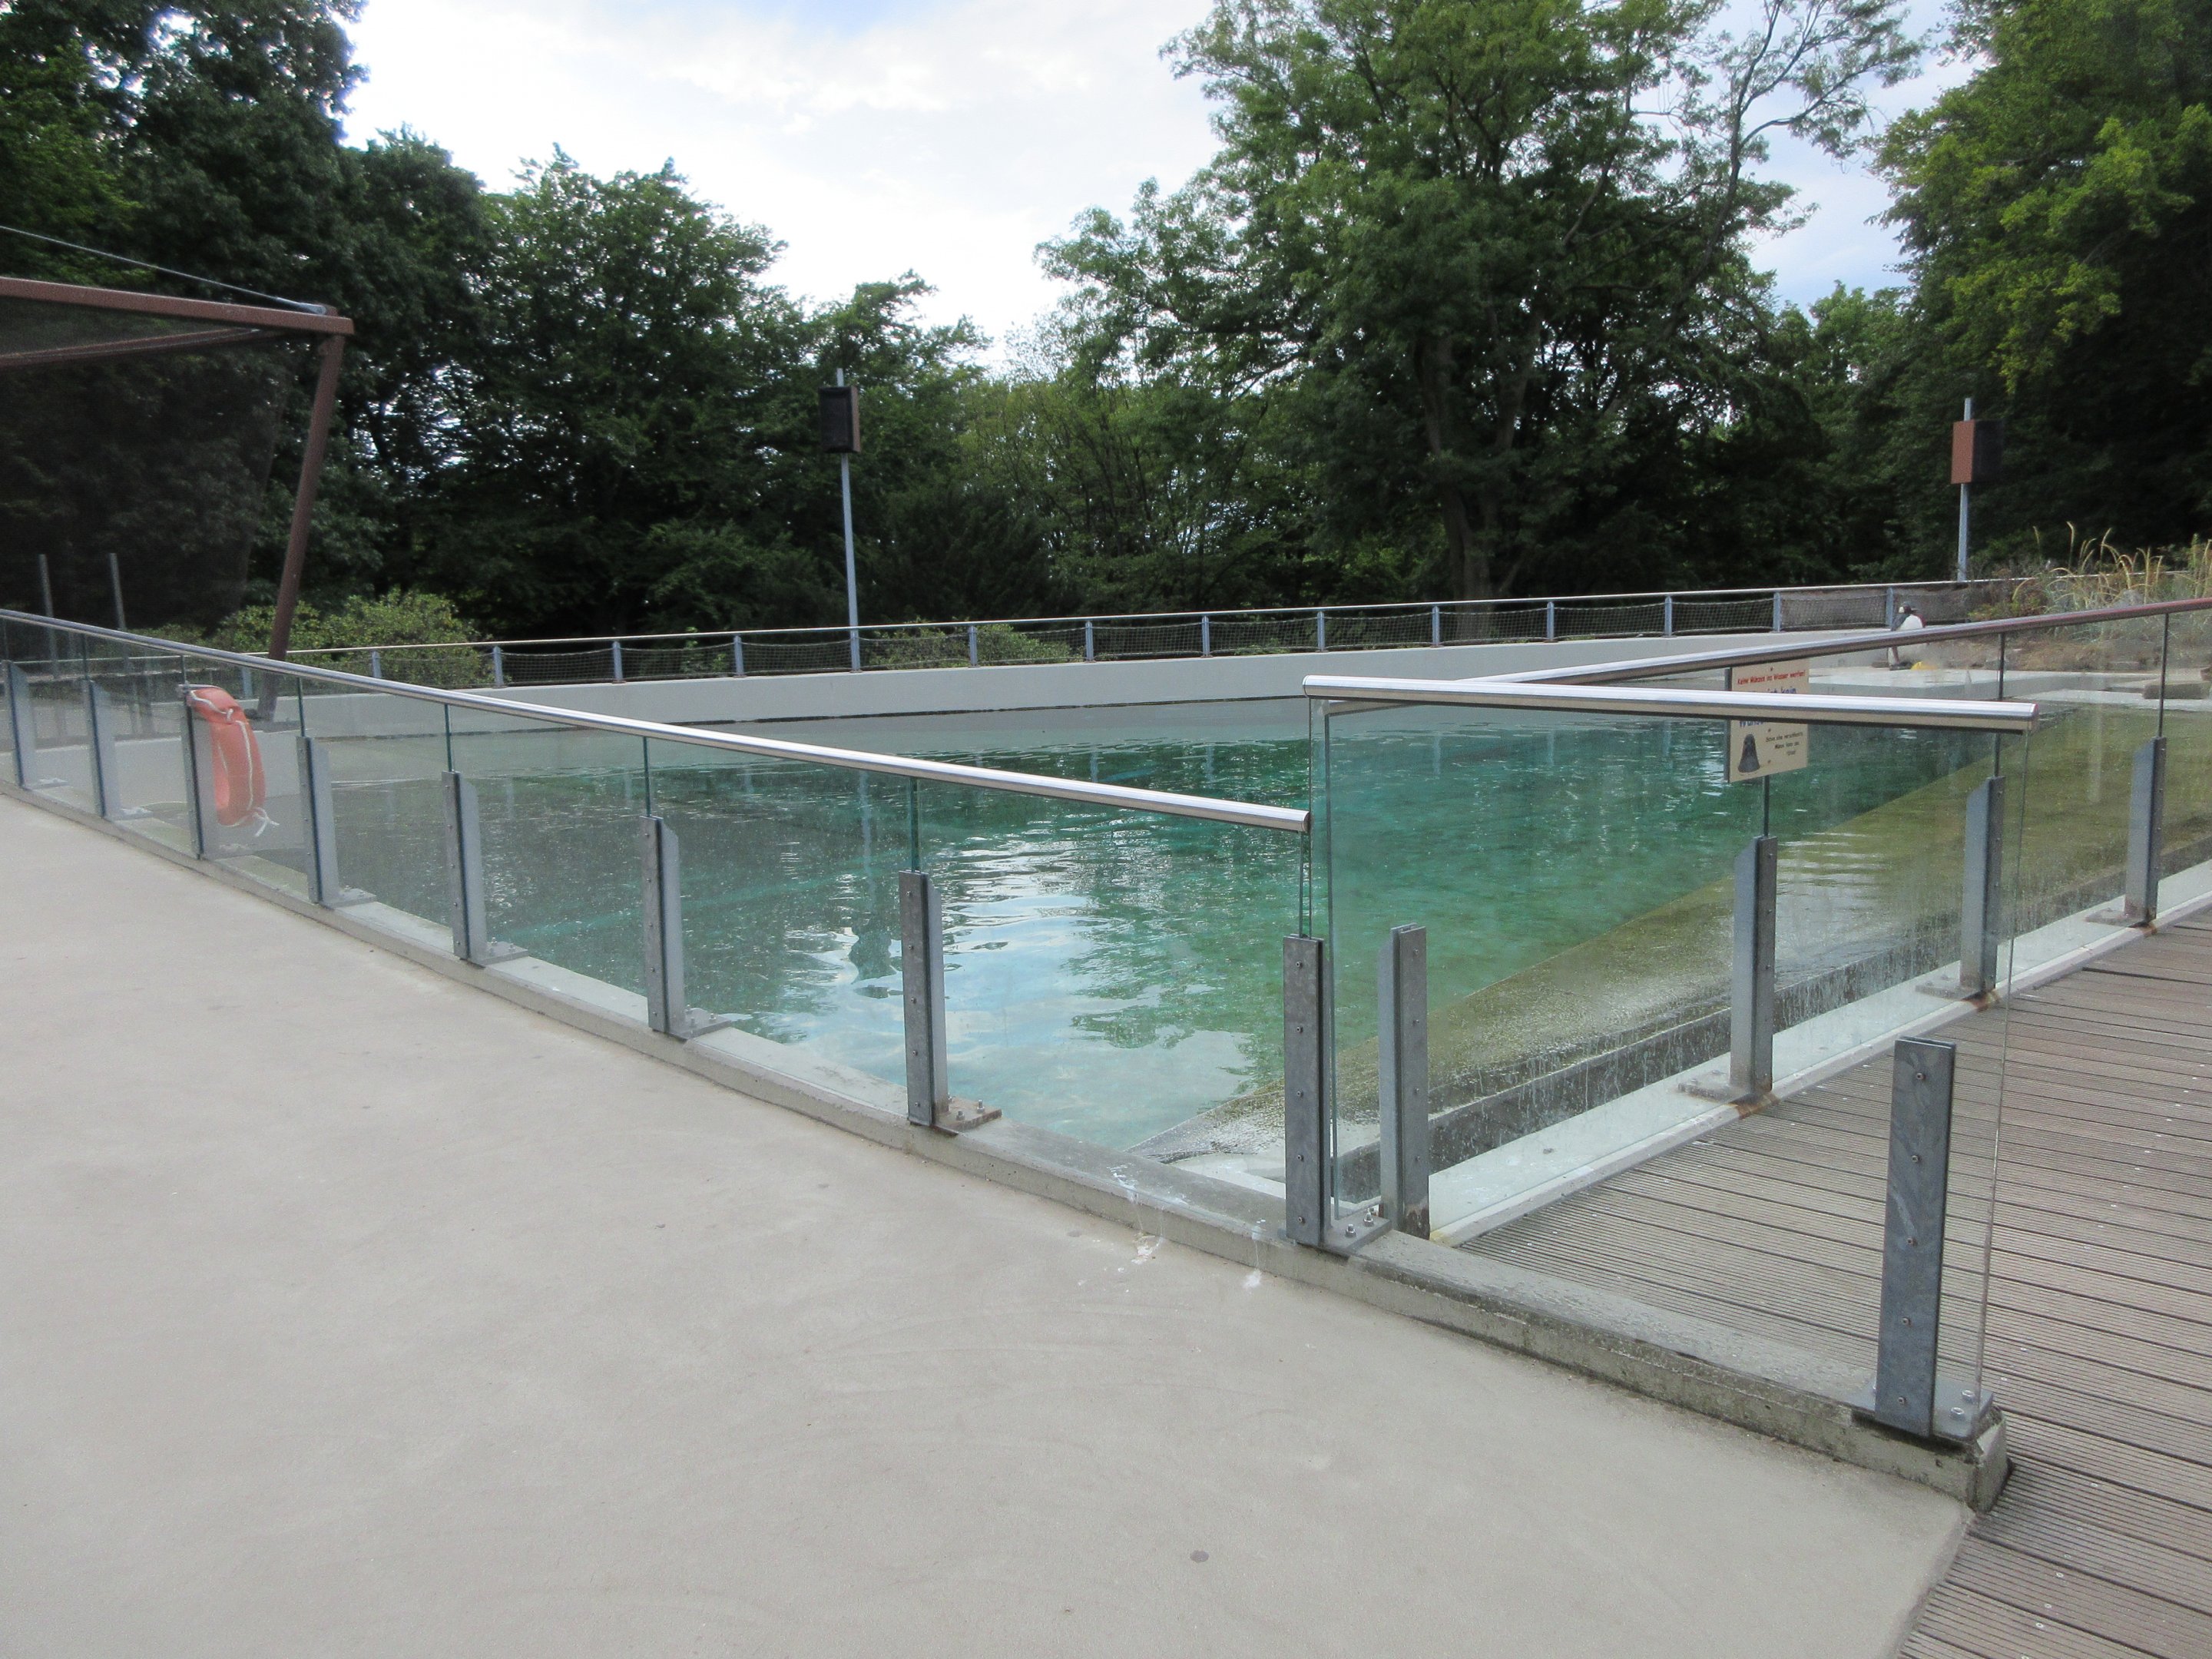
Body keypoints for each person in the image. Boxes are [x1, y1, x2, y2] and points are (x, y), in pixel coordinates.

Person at [1889, 601, 1926, 668]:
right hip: (1915, 660)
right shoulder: (1917, 620)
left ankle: (1897, 662)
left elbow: (1892, 641)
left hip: (1899, 659)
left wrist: (1897, 661)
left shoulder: (1899, 621)